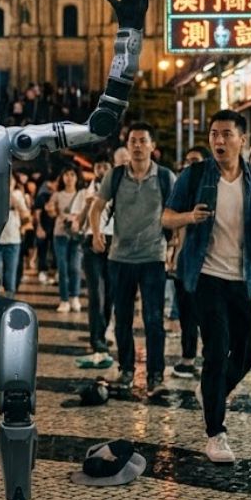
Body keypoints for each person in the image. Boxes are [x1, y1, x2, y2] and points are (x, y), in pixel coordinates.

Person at [163, 110, 251, 464]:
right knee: (216, 348)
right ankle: (216, 433)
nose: (219, 141)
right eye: (214, 134)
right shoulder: (195, 174)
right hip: (206, 277)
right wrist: (189, 217)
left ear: (242, 140)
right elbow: (166, 216)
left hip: (246, 279)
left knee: (248, 351)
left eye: (227, 134)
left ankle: (213, 392)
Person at [89, 123, 175, 394]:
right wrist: (96, 233)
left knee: (153, 319)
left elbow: (175, 213)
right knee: (122, 317)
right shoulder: (114, 176)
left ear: (152, 146)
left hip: (153, 257)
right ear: (127, 147)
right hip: (120, 257)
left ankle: (156, 375)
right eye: (133, 141)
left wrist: (175, 248)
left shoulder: (165, 177)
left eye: (142, 141)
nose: (137, 146)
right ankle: (126, 369)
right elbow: (97, 207)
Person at [171, 145, 211, 377]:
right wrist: (176, 254)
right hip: (186, 259)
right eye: (187, 160)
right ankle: (188, 357)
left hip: (209, 262)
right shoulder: (184, 188)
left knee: (206, 314)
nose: (189, 165)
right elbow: (176, 225)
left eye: (194, 160)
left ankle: (210, 357)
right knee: (186, 310)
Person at [80, 157, 114, 355]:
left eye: (105, 166)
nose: (101, 169)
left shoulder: (117, 188)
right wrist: (87, 205)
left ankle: (103, 331)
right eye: (99, 165)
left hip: (113, 241)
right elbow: (78, 220)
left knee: (110, 293)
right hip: (91, 240)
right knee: (96, 293)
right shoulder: (87, 190)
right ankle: (96, 338)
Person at [47, 164, 86, 314]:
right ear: (62, 177)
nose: (69, 178)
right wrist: (50, 209)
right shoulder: (57, 195)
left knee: (75, 268)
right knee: (62, 268)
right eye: (66, 175)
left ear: (77, 177)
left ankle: (74, 297)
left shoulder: (82, 195)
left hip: (76, 235)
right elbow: (51, 212)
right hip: (60, 234)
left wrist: (76, 220)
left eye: (72, 175)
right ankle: (64, 299)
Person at [0, 173, 30, 295]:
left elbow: (26, 217)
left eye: (10, 180)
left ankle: (9, 303)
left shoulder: (17, 195)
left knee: (10, 276)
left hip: (13, 241)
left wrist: (17, 205)